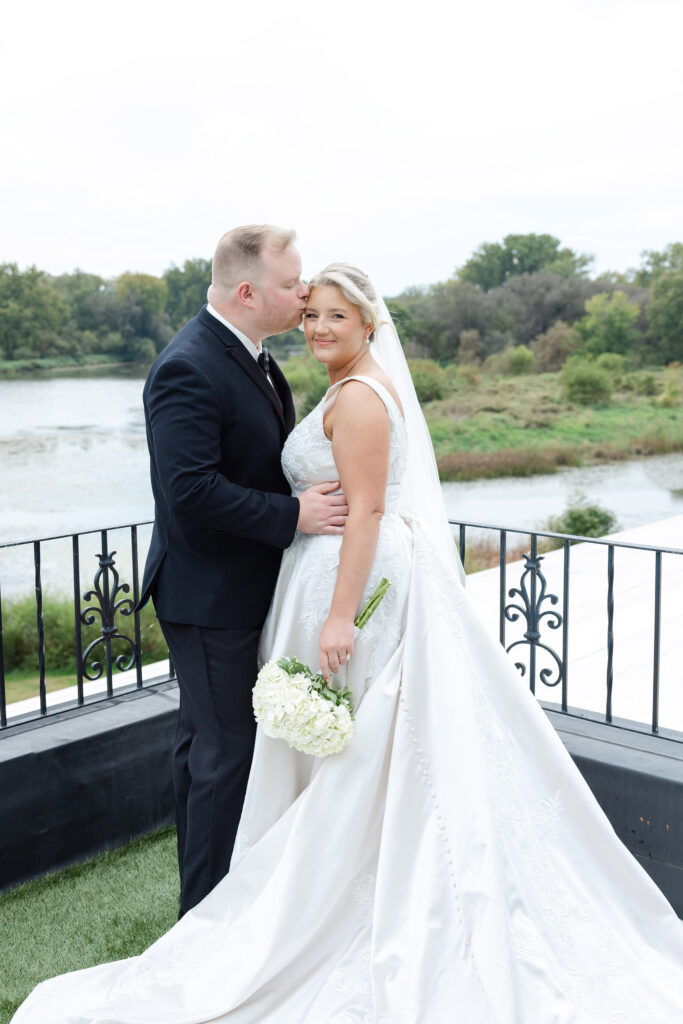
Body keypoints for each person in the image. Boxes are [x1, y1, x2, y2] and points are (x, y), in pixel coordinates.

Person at [12, 264, 683, 1023]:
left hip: (355, 591)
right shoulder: (334, 385)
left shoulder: (360, 398)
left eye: (336, 315)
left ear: (370, 325)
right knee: (351, 745)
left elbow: (364, 515)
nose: (319, 326)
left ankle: (343, 896)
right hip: (330, 578)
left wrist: (337, 617)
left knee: (364, 747)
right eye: (311, 313)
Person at [136, 225, 348, 915]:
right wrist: (293, 517)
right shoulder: (188, 366)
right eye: (292, 285)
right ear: (249, 290)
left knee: (206, 747)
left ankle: (206, 907)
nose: (305, 293)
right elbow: (189, 489)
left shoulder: (252, 355)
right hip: (207, 596)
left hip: (242, 587)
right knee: (224, 756)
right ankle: (200, 925)